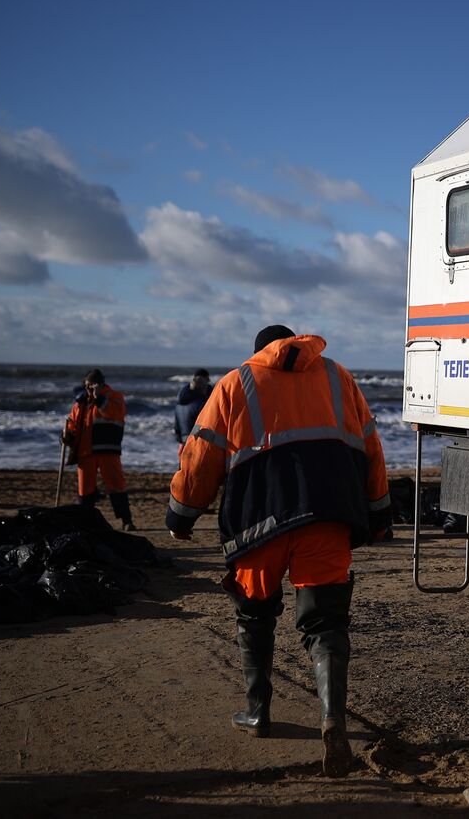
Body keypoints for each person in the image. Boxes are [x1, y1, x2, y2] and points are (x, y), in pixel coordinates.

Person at [167, 325, 391, 777]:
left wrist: (181, 516)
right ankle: (333, 718)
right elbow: (370, 445)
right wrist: (379, 512)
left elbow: (201, 454)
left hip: (258, 523)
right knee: (326, 623)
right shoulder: (338, 378)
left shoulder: (236, 383)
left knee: (254, 615)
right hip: (326, 517)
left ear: (258, 352)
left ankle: (257, 713)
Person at [63, 368, 134, 530]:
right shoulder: (80, 402)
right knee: (85, 489)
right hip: (84, 452)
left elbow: (114, 414)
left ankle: (126, 520)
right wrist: (67, 436)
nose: (89, 390)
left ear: (101, 385)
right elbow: (73, 424)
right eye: (86, 386)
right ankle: (86, 521)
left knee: (116, 485)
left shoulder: (114, 397)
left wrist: (99, 398)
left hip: (107, 449)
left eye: (92, 386)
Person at [174, 368, 212, 446]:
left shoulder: (179, 403)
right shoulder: (201, 404)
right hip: (196, 443)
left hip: (184, 443)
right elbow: (201, 426)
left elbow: (177, 429)